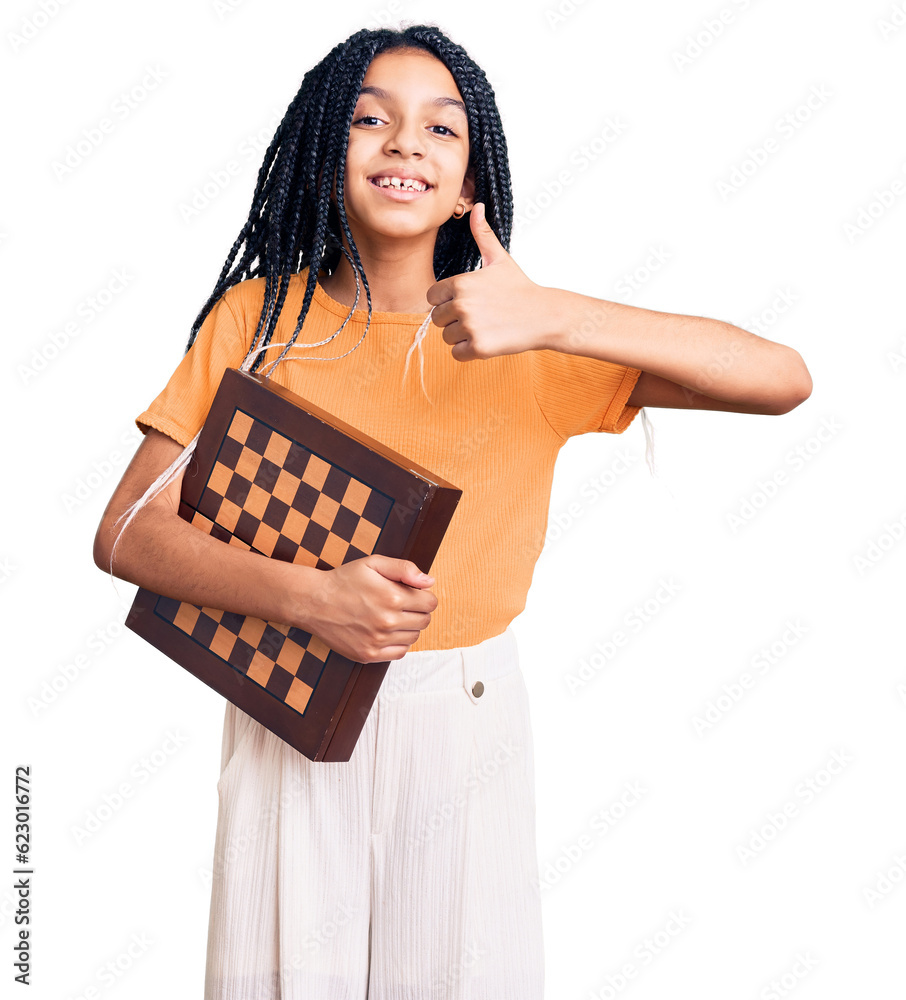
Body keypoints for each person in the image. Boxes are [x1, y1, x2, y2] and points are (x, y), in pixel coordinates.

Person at [92, 22, 812, 1000]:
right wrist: (313, 599)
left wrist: (555, 316)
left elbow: (781, 378)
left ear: (470, 181)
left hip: (466, 723)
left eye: (441, 127)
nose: (405, 143)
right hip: (290, 704)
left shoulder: (527, 341)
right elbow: (126, 531)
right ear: (324, 147)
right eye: (369, 119)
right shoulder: (258, 322)